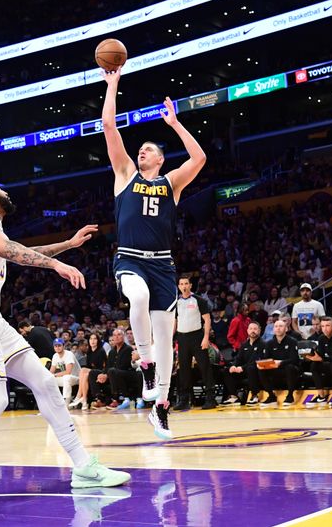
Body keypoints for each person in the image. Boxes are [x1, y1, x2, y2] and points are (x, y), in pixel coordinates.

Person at [0, 182, 129, 513]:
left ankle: (84, 467)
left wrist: (68, 245)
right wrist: (58, 266)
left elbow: (21, 251)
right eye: (0, 189)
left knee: (44, 381)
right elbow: (8, 250)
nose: (7, 192)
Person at [102, 67, 206, 439]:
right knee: (138, 297)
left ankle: (161, 407)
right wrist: (113, 84)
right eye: (141, 149)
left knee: (167, 340)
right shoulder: (125, 174)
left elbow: (199, 159)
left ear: (160, 160)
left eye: (149, 150)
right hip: (129, 257)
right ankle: (143, 363)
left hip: (163, 263)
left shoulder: (170, 183)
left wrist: (176, 124)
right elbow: (110, 129)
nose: (142, 151)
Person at [174, 276, 215, 411]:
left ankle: (211, 399)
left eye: (186, 283)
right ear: (179, 286)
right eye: (181, 284)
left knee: (205, 367)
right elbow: (175, 321)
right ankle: (185, 400)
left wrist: (205, 337)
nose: (184, 286)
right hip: (182, 338)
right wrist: (171, 337)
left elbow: (207, 320)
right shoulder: (176, 302)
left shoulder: (199, 300)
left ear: (190, 285)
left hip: (197, 336)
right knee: (183, 369)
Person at [50, 338, 80, 405]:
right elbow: (51, 371)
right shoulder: (55, 356)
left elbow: (68, 372)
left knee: (66, 377)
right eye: (56, 346)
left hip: (77, 377)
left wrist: (54, 375)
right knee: (49, 380)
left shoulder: (69, 354)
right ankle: (52, 401)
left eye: (59, 345)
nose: (57, 347)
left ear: (63, 346)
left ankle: (66, 401)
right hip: (65, 378)